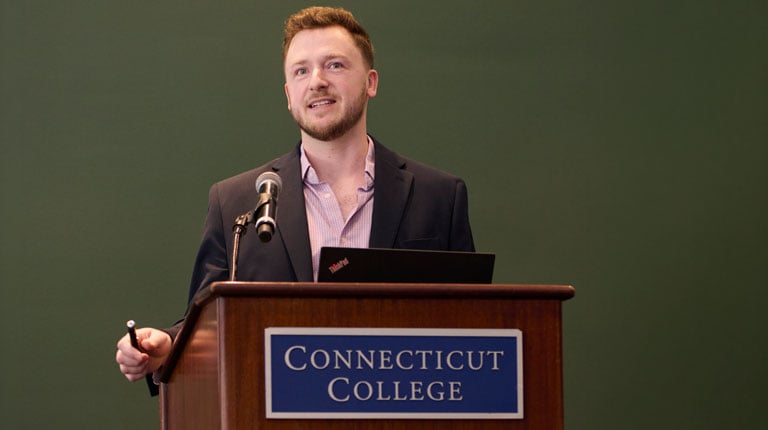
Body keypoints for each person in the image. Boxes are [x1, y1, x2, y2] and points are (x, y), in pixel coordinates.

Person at [115, 6, 475, 386]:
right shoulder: (236, 202)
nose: (317, 81)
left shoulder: (439, 196)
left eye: (334, 65)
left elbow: (474, 328)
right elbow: (206, 325)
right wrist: (168, 347)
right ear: (289, 95)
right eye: (301, 71)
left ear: (371, 82)